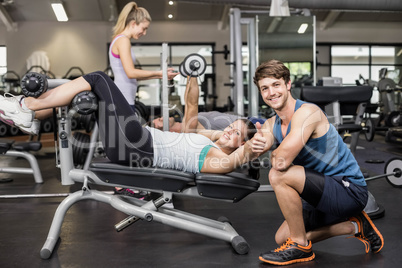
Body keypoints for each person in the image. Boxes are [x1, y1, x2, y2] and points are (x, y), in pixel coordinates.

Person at [0, 71, 264, 176]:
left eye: (235, 134)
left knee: (99, 79)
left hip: (139, 146)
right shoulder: (210, 138)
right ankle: (33, 118)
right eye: (231, 127)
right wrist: (194, 75)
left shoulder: (219, 161)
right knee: (89, 95)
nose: (228, 131)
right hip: (133, 143)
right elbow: (192, 108)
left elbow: (239, 156)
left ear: (243, 144)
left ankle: (28, 107)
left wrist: (259, 139)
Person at [252, 59, 384, 265]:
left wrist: (270, 149)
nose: (271, 93)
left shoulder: (307, 112)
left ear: (287, 85)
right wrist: (253, 146)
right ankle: (356, 227)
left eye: (276, 85)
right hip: (320, 194)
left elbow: (280, 163)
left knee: (278, 174)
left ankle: (300, 246)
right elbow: (259, 142)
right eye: (264, 88)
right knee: (281, 238)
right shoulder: (271, 123)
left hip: (349, 190)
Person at [109, 1, 178, 110]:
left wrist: (162, 75)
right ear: (133, 24)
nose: (144, 33)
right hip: (122, 98)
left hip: (125, 98)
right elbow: (131, 73)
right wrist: (160, 73)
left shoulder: (121, 39)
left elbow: (131, 74)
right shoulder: (123, 40)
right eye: (144, 28)